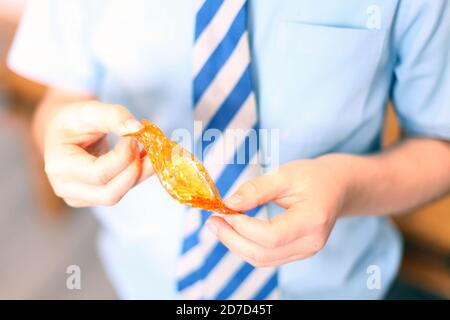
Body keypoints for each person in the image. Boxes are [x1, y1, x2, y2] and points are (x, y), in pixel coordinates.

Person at [8, 0, 450, 299]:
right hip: (145, 280)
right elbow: (63, 97)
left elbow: (440, 144)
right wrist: (57, 138)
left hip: (332, 284)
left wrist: (349, 188)